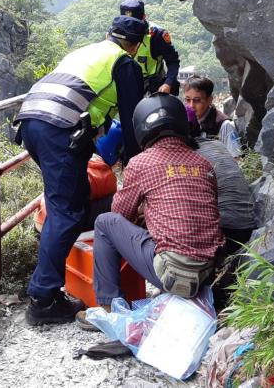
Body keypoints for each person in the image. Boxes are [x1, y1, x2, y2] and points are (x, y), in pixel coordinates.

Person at [15, 15, 149, 326]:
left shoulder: (87, 51)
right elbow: (131, 122)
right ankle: (43, 299)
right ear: (136, 45)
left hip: (31, 121)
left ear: (108, 34)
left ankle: (48, 283)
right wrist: (136, 164)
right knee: (66, 211)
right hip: (57, 128)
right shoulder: (125, 64)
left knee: (67, 200)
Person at [76, 94, 223, 328]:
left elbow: (119, 214)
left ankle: (108, 308)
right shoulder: (203, 164)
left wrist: (144, 212)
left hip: (173, 273)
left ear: (142, 128)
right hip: (208, 272)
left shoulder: (141, 162)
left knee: (105, 222)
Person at [194, 137, 257, 309]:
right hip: (251, 223)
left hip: (226, 229)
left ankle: (208, 297)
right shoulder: (217, 144)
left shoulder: (189, 158)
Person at [119, 0, 181, 96]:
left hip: (156, 84)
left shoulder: (157, 35)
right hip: (131, 83)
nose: (130, 27)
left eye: (135, 23)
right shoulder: (117, 34)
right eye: (126, 22)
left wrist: (168, 83)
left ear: (144, 16)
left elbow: (173, 61)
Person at [182, 75, 242, 157]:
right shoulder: (182, 122)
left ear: (209, 100)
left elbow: (237, 159)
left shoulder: (224, 125)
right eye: (187, 100)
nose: (191, 105)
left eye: (197, 100)